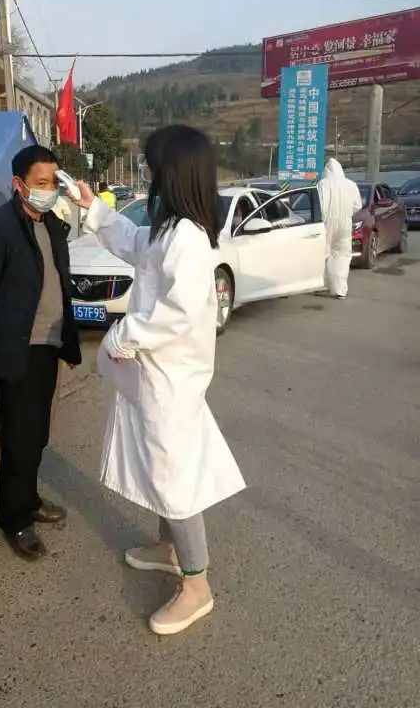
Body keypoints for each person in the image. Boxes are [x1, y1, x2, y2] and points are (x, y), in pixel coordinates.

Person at [73, 125, 246, 636]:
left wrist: (125, 336)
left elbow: (177, 311)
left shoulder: (188, 238)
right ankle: (170, 548)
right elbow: (132, 243)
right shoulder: (168, 230)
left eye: (151, 166)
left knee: (173, 474)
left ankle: (197, 585)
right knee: (156, 463)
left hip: (171, 378)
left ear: (171, 173)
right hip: (154, 374)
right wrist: (92, 207)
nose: (147, 174)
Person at [0, 145, 81, 560]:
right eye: (41, 183)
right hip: (18, 347)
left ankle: (28, 499)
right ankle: (14, 517)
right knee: (19, 436)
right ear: (19, 184)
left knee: (37, 433)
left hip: (49, 343)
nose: (49, 190)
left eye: (53, 182)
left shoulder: (51, 224)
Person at [317, 158, 362, 299]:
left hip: (326, 222)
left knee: (323, 254)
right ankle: (339, 290)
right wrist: (347, 214)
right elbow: (358, 206)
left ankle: (323, 285)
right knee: (342, 255)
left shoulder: (322, 184)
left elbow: (319, 205)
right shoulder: (351, 185)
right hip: (345, 224)